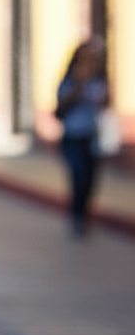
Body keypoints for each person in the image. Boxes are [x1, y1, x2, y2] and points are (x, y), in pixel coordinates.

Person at [55, 37, 110, 237]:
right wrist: (78, 86)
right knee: (78, 175)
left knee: (91, 179)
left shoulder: (99, 81)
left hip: (92, 137)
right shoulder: (68, 81)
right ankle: (77, 216)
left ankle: (83, 214)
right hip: (72, 138)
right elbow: (60, 108)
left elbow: (105, 104)